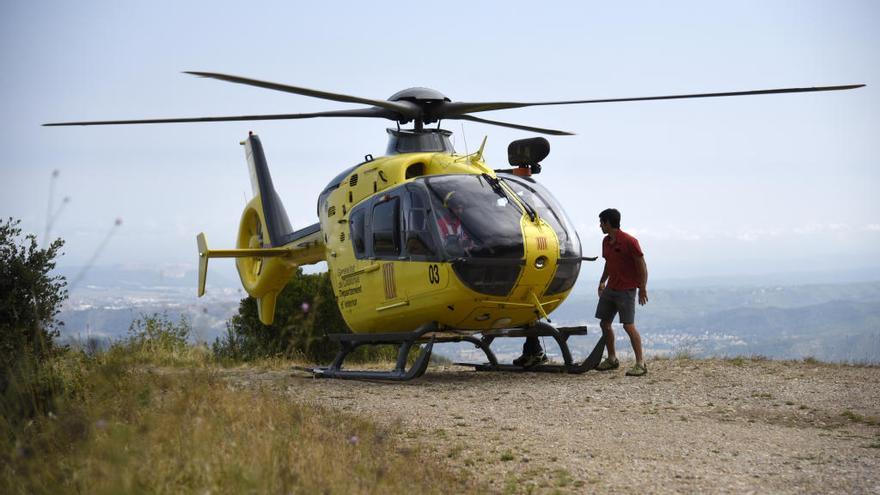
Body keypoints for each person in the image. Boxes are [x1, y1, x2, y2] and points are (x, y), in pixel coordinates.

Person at [594, 208, 649, 376]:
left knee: (628, 325)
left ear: (608, 223)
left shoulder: (630, 241)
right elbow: (609, 263)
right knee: (604, 323)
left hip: (627, 289)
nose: (600, 225)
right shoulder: (606, 242)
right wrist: (603, 280)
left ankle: (640, 364)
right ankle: (612, 359)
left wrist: (642, 288)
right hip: (611, 288)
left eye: (602, 222)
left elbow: (642, 266)